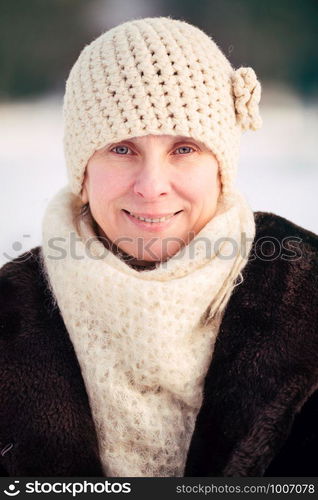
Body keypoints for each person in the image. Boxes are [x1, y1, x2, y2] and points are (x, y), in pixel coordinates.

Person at [0, 17, 317, 478]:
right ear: (83, 173)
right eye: (122, 149)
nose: (151, 187)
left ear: (221, 169)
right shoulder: (10, 313)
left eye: (184, 149)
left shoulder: (304, 294)